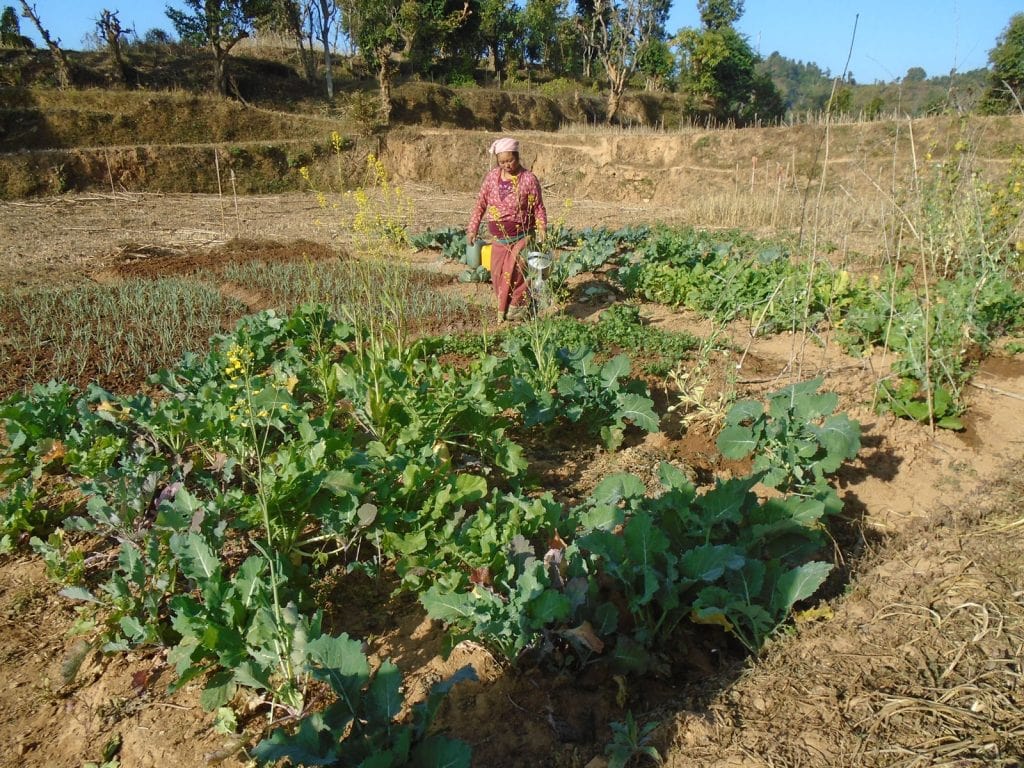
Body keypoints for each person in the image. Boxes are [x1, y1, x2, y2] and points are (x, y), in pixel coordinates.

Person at [467, 136, 547, 322]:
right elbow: (480, 204)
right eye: (502, 162)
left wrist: (542, 227)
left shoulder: (528, 179)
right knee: (497, 275)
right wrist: (473, 229)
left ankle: (516, 308)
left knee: (518, 271)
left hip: (521, 236)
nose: (507, 165)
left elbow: (538, 207)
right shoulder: (492, 178)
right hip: (499, 239)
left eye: (510, 160)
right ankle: (506, 306)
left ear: (517, 157)